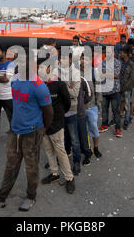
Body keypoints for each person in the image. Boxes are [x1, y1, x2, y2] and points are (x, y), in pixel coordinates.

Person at [0, 49, 53, 212]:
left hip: (32, 132)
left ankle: (31, 196)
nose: (20, 65)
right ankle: (0, 198)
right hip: (15, 131)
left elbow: (49, 112)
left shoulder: (39, 86)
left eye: (24, 62)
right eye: (18, 61)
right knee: (11, 166)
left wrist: (42, 130)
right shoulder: (15, 80)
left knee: (31, 167)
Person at [38, 60, 75, 194]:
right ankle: (54, 173)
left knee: (61, 151)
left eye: (41, 67)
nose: (39, 70)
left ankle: (69, 178)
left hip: (57, 124)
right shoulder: (40, 84)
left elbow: (66, 103)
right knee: (48, 150)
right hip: (43, 124)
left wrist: (58, 117)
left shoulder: (59, 84)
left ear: (48, 69)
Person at [81, 53, 102, 158]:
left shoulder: (94, 72)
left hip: (91, 106)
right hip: (79, 107)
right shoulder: (75, 72)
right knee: (82, 130)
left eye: (86, 59)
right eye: (82, 59)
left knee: (93, 128)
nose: (84, 61)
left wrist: (98, 105)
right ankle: (87, 151)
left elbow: (98, 89)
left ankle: (96, 147)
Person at [0, 45, 14, 139]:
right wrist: (0, 78)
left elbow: (6, 79)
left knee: (11, 116)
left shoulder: (11, 64)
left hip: (7, 96)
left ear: (4, 53)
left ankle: (14, 133)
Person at [99, 49, 122, 138]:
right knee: (104, 109)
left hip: (114, 91)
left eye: (109, 53)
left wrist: (105, 74)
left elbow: (116, 75)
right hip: (104, 91)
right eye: (106, 53)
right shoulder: (102, 63)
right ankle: (104, 125)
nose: (107, 54)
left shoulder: (117, 63)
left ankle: (118, 128)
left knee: (115, 110)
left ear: (113, 54)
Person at [120, 45, 134, 131]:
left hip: (127, 88)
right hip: (120, 87)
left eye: (121, 53)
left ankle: (126, 120)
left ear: (126, 54)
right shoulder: (121, 63)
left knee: (127, 104)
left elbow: (132, 79)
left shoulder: (132, 64)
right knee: (121, 103)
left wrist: (125, 88)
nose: (120, 54)